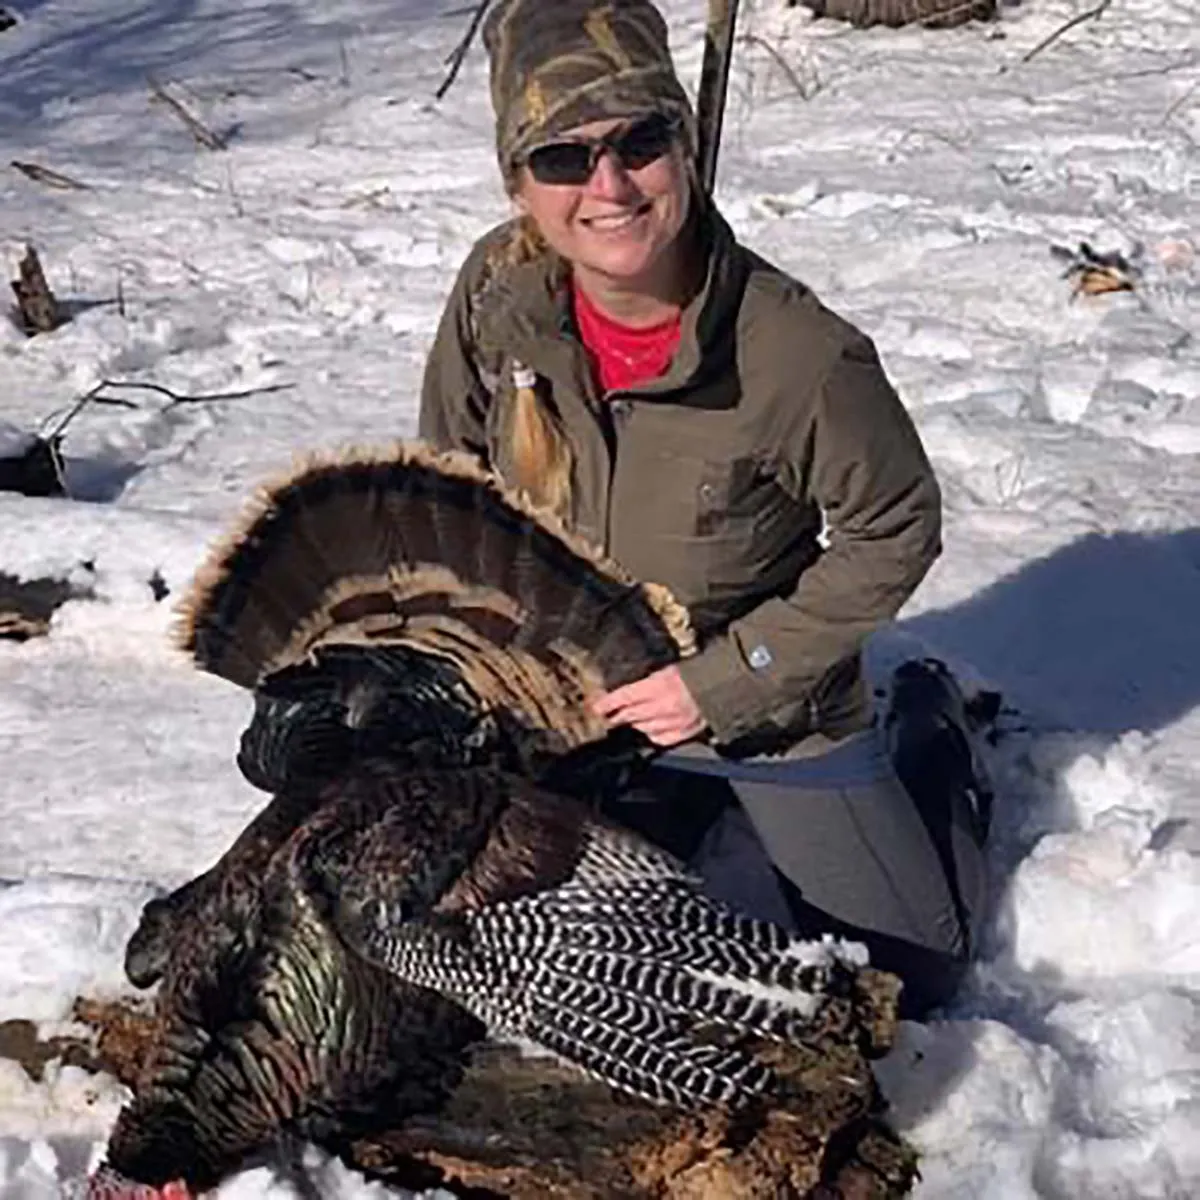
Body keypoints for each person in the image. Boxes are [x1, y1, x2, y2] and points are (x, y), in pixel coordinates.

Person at [419, 0, 988, 1016]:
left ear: (681, 144)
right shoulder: (495, 293)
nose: (607, 185)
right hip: (572, 701)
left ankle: (932, 732)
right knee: (497, 946)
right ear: (518, 182)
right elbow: (448, 478)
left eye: (639, 141)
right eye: (562, 156)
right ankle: (657, 793)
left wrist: (727, 683)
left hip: (762, 707)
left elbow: (897, 526)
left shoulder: (799, 355)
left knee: (907, 982)